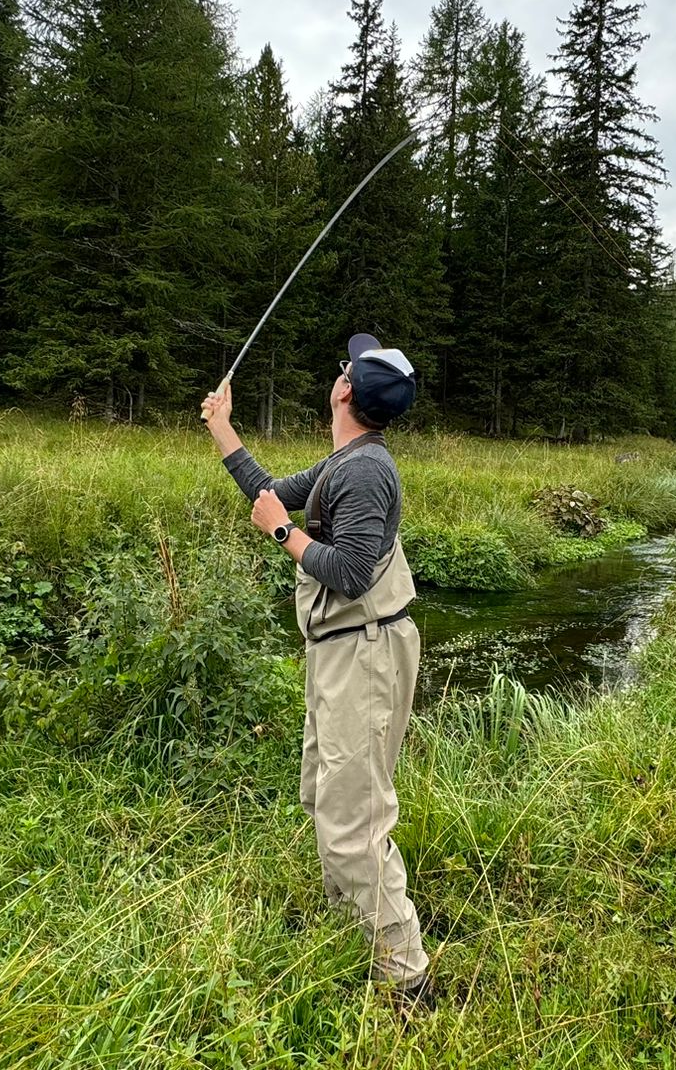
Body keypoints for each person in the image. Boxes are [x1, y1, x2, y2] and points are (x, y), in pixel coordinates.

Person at [200, 333, 431, 1008]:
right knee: (326, 798)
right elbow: (270, 492)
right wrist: (224, 429)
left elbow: (354, 573)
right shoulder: (348, 461)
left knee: (354, 818)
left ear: (344, 392)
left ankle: (407, 976)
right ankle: (351, 930)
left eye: (343, 370)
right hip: (343, 653)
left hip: (364, 649)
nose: (337, 373)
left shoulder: (363, 472)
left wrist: (283, 533)